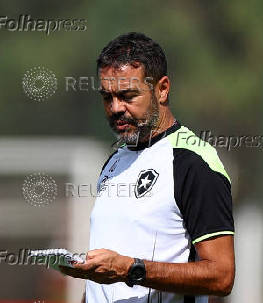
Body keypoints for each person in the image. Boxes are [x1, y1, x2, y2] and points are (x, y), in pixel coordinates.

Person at [59, 32, 235, 303]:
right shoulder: (115, 161)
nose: (116, 107)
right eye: (107, 97)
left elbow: (222, 276)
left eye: (128, 95)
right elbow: (106, 281)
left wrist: (131, 269)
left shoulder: (193, 162)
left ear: (162, 89)